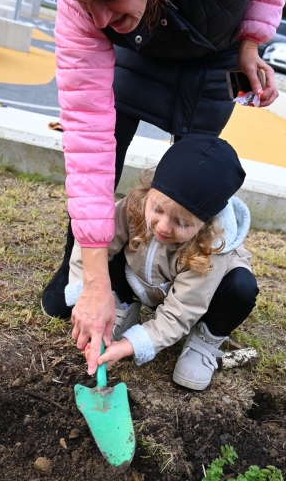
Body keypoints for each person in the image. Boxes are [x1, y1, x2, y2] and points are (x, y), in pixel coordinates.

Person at [19, 0, 286, 375]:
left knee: (189, 177)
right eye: (81, 2)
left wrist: (250, 40)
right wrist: (95, 286)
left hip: (210, 45)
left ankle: (183, 296)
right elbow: (87, 143)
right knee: (108, 146)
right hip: (142, 42)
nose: (94, 18)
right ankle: (86, 275)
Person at [65, 136, 258, 390]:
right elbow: (91, 248)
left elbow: (181, 311)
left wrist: (129, 346)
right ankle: (121, 305)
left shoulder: (210, 249)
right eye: (157, 209)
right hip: (140, 280)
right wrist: (87, 295)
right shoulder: (133, 207)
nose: (163, 227)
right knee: (103, 246)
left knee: (241, 287)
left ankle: (204, 341)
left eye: (183, 223)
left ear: (206, 223)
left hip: (204, 298)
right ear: (150, 191)